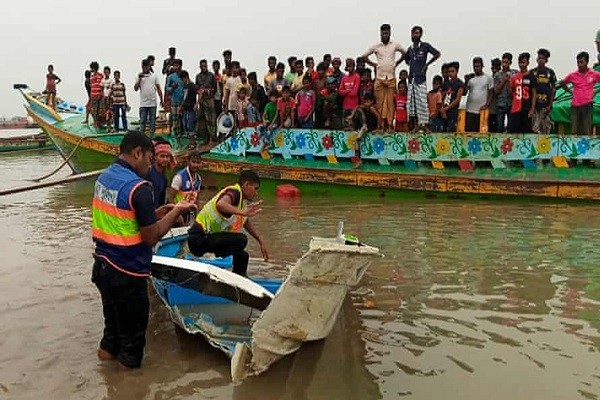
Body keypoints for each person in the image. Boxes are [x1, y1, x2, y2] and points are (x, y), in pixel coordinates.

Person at [92, 131, 195, 369]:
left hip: (103, 266)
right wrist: (176, 211)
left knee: (111, 338)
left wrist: (154, 213)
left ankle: (105, 380)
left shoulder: (104, 177)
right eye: (150, 159)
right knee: (131, 348)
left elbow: (120, 216)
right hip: (127, 274)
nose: (150, 166)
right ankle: (128, 389)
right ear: (137, 153)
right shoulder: (139, 187)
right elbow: (152, 237)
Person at [187, 170, 268, 276]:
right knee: (241, 240)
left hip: (208, 239)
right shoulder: (235, 192)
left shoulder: (241, 201)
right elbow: (221, 204)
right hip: (198, 239)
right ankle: (213, 259)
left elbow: (245, 221)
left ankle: (239, 279)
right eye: (255, 189)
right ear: (246, 185)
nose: (256, 193)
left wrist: (260, 240)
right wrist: (243, 212)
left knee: (243, 255)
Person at [362, 24, 407, 131]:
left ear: (390, 33)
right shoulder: (376, 46)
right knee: (379, 103)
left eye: (387, 33)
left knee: (391, 103)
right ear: (380, 33)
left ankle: (390, 125)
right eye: (383, 33)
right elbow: (364, 56)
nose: (385, 34)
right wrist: (374, 64)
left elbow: (405, 53)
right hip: (380, 77)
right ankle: (381, 125)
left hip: (391, 77)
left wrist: (398, 62)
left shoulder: (395, 44)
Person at [403, 26, 441, 132]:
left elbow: (437, 54)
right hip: (412, 79)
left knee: (422, 102)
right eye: (413, 33)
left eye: (417, 33)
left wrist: (427, 64)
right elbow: (406, 59)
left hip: (421, 78)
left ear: (420, 34)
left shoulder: (425, 46)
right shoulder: (410, 49)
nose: (415, 35)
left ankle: (424, 125)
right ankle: (416, 125)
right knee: (412, 103)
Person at [559, 51, 600, 135]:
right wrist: (570, 91)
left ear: (587, 62)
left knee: (587, 130)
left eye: (581, 62)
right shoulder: (573, 75)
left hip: (587, 105)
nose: (579, 64)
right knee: (574, 131)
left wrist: (596, 91)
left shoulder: (594, 74)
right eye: (578, 62)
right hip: (575, 106)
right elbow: (562, 83)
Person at [347, 92, 382, 168]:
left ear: (372, 101)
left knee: (358, 138)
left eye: (368, 102)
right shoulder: (365, 107)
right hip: (366, 126)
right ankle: (358, 159)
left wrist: (377, 128)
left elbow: (379, 117)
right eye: (365, 101)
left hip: (369, 126)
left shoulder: (372, 108)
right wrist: (352, 115)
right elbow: (357, 107)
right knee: (357, 140)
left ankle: (358, 160)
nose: (366, 103)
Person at [168, 150, 202, 224]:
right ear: (188, 162)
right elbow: (170, 198)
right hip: (176, 213)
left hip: (188, 214)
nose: (195, 165)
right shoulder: (179, 177)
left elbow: (197, 200)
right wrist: (176, 215)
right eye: (193, 162)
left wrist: (197, 217)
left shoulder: (199, 179)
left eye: (198, 163)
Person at [529, 49, 557, 135]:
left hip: (546, 106)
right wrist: (532, 108)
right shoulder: (532, 72)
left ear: (546, 60)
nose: (540, 60)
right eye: (539, 58)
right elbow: (531, 89)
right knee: (535, 129)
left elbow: (553, 89)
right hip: (535, 106)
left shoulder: (550, 73)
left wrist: (550, 105)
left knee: (546, 130)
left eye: (543, 58)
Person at [134, 58, 163, 136]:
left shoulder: (154, 76)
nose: (145, 68)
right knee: (143, 121)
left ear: (149, 67)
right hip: (143, 103)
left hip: (152, 103)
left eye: (146, 67)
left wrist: (161, 99)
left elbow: (158, 88)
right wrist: (139, 79)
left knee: (152, 121)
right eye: (143, 67)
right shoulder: (139, 76)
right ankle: (141, 137)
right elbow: (136, 88)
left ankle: (151, 137)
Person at [464, 57, 493, 132]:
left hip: (481, 110)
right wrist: (466, 81)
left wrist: (486, 105)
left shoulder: (488, 78)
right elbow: (464, 93)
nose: (476, 68)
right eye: (474, 66)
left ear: (482, 66)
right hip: (470, 109)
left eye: (478, 66)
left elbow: (491, 93)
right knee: (469, 131)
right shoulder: (471, 78)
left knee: (481, 132)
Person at [146, 138, 176, 209]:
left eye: (167, 156)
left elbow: (160, 202)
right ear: (155, 157)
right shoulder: (148, 174)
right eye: (162, 156)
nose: (165, 159)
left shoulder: (164, 178)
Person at [508, 52, 533, 133]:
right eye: (520, 63)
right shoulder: (514, 77)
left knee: (526, 132)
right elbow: (510, 91)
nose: (521, 65)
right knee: (514, 132)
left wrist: (532, 109)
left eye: (523, 63)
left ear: (528, 63)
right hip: (516, 108)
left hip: (527, 108)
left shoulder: (531, 76)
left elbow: (534, 93)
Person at [195, 59, 217, 145]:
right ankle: (205, 139)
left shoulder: (211, 75)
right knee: (202, 119)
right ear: (200, 67)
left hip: (209, 99)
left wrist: (209, 94)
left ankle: (213, 138)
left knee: (211, 119)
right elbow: (197, 87)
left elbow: (215, 88)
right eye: (202, 66)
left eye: (205, 66)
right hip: (201, 100)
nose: (203, 67)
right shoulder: (198, 76)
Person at [494, 52, 517, 132]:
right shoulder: (497, 75)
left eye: (506, 62)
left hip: (511, 103)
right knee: (500, 126)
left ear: (510, 63)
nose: (504, 65)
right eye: (503, 62)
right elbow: (496, 91)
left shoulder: (515, 73)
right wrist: (503, 81)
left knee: (511, 126)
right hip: (501, 103)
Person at [440, 62, 464, 132]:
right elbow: (442, 95)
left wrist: (447, 108)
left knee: (450, 131)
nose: (450, 73)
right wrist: (442, 108)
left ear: (457, 71)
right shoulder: (446, 83)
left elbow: (457, 99)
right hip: (444, 111)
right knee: (443, 131)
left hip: (453, 112)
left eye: (452, 71)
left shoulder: (460, 83)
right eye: (449, 72)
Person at [166, 59, 184, 139]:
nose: (176, 67)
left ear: (180, 66)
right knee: (175, 119)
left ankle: (182, 135)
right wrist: (172, 88)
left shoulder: (184, 75)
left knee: (183, 119)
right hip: (174, 101)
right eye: (174, 65)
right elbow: (167, 88)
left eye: (177, 65)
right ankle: (177, 137)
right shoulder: (171, 77)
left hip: (183, 101)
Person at [181, 70, 198, 148]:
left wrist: (197, 104)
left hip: (191, 108)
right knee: (186, 126)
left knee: (190, 126)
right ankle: (191, 142)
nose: (182, 81)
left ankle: (193, 142)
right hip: (185, 108)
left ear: (186, 77)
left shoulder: (192, 86)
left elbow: (200, 93)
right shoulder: (185, 86)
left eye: (183, 79)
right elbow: (184, 97)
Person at [89, 62, 105, 129]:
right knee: (93, 110)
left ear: (93, 68)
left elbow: (101, 85)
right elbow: (92, 87)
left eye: (91, 68)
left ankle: (99, 123)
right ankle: (95, 123)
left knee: (100, 111)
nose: (90, 69)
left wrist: (100, 94)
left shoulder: (100, 75)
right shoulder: (91, 77)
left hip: (99, 96)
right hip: (93, 95)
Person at [488, 58, 501, 132]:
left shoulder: (500, 77)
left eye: (496, 66)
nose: (494, 68)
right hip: (490, 108)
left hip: (498, 107)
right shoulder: (490, 78)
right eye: (493, 66)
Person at [162, 47, 177, 112]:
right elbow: (163, 72)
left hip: (175, 81)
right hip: (168, 81)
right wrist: (167, 67)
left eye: (173, 53)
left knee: (175, 97)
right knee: (167, 98)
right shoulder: (166, 61)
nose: (172, 55)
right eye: (171, 53)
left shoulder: (177, 61)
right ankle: (167, 111)